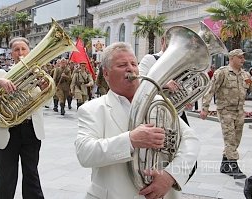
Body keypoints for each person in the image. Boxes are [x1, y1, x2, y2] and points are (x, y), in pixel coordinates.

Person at [75, 42, 199, 199]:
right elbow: (85, 153)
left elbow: (191, 140)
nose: (131, 69)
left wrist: (171, 175)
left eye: (134, 63)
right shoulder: (91, 109)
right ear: (106, 74)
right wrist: (130, 140)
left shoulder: (159, 102)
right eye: (122, 65)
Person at [0, 37, 45, 199]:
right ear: (11, 53)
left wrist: (45, 87)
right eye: (16, 50)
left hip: (31, 130)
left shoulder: (39, 72)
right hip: (7, 130)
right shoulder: (1, 73)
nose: (20, 53)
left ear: (29, 51)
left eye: (23, 49)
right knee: (6, 177)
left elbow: (43, 102)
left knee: (32, 174)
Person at [200, 49, 252, 179]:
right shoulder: (222, 73)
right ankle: (234, 167)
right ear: (232, 59)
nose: (243, 60)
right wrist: (205, 108)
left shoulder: (246, 76)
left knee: (236, 140)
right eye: (240, 57)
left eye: (243, 58)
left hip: (239, 111)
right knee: (230, 139)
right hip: (225, 111)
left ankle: (224, 166)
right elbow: (210, 90)